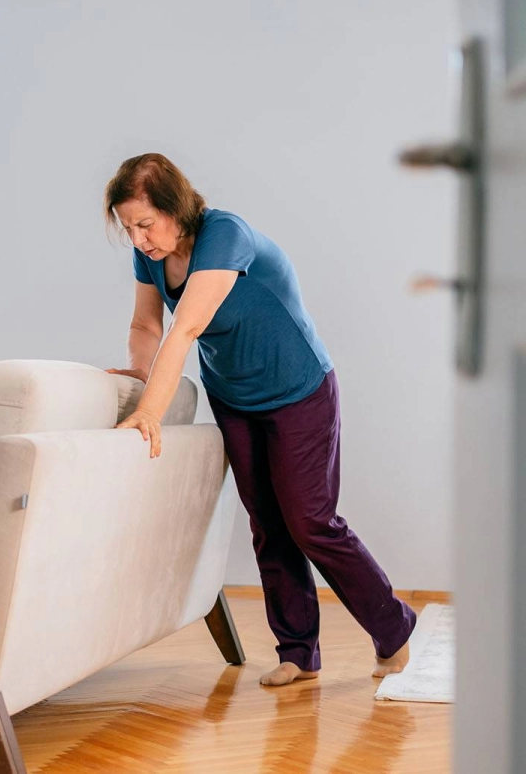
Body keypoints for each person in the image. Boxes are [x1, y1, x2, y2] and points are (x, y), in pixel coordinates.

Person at [103, 153, 416, 687]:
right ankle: (298, 653)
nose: (138, 239)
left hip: (300, 390)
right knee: (267, 526)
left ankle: (395, 629)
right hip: (235, 398)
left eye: (145, 224)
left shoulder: (225, 236)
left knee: (310, 521)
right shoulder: (150, 256)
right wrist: (138, 371)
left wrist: (148, 412)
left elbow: (185, 329)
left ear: (176, 208)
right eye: (128, 228)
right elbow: (146, 325)